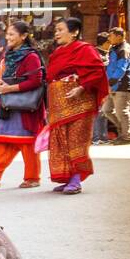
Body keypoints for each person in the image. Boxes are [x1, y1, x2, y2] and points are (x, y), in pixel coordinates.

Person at [0, 20, 45, 189]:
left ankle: (32, 177)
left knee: (26, 143)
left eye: (12, 34)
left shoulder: (31, 56)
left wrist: (11, 88)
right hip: (5, 105)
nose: (8, 37)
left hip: (22, 107)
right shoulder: (8, 53)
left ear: (24, 36)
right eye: (7, 34)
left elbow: (36, 80)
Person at [45, 16, 110, 195]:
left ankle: (76, 179)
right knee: (62, 141)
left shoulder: (85, 49)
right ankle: (67, 177)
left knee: (76, 140)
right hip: (59, 104)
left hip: (79, 102)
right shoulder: (57, 53)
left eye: (60, 30)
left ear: (74, 32)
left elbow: (97, 71)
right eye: (55, 30)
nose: (56, 34)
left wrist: (81, 88)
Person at [100, 26, 130, 144]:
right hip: (113, 85)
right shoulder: (115, 48)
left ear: (119, 36)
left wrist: (112, 82)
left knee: (122, 112)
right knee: (107, 110)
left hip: (122, 85)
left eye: (111, 35)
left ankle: (127, 137)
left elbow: (121, 69)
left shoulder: (124, 49)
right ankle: (123, 132)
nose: (109, 38)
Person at [91, 32, 112, 144]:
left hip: (102, 86)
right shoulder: (97, 54)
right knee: (100, 112)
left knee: (102, 112)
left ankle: (101, 137)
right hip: (98, 87)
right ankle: (98, 137)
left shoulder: (105, 53)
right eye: (109, 42)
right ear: (105, 43)